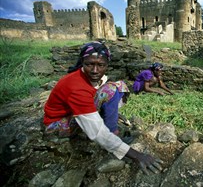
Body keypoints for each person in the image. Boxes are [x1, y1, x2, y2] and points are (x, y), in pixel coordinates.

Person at [43, 41, 163, 175]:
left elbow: (96, 92)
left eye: (101, 65)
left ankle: (112, 128)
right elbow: (97, 132)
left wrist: (112, 112)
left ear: (107, 65)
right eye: (89, 64)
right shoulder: (76, 87)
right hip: (57, 126)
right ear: (82, 62)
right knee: (110, 89)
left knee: (117, 85)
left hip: (70, 115)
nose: (95, 70)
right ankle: (113, 134)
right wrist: (137, 156)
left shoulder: (84, 76)